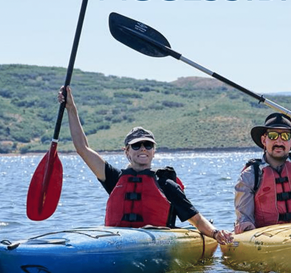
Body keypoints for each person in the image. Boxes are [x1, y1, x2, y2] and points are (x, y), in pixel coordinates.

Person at [58, 86, 232, 244]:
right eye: (136, 145)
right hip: (119, 240)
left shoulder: (166, 184)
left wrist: (216, 234)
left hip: (154, 243)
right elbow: (82, 148)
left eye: (148, 145)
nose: (143, 149)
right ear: (127, 151)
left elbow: (196, 219)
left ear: (154, 151)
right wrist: (71, 109)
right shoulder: (114, 178)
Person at [234, 111, 291, 234]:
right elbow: (244, 217)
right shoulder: (249, 175)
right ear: (264, 140)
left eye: (285, 136)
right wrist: (247, 229)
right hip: (269, 239)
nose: (279, 141)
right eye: (273, 136)